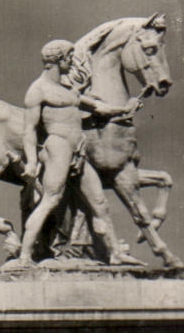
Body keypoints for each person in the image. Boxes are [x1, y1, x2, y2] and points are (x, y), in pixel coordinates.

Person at [14, 39, 142, 269]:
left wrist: (125, 109)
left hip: (78, 149)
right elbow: (29, 130)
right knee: (50, 200)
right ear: (58, 60)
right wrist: (32, 161)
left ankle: (115, 254)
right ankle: (24, 256)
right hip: (58, 146)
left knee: (100, 202)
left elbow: (98, 107)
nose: (72, 63)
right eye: (69, 58)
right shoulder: (38, 90)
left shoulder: (66, 89)